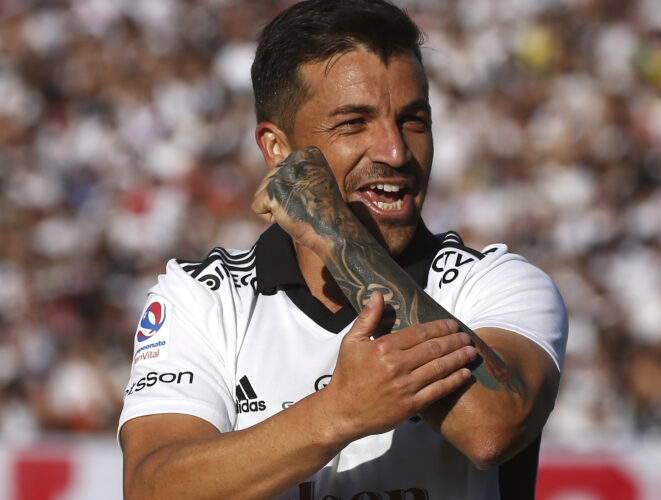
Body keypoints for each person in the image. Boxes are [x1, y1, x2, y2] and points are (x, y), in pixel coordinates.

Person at [118, 0, 568, 498]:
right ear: (277, 150)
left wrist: (335, 238)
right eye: (355, 123)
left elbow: (492, 428)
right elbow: (152, 487)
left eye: (414, 120)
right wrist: (341, 411)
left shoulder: (497, 283)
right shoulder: (201, 298)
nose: (395, 152)